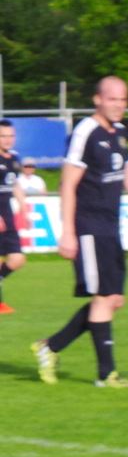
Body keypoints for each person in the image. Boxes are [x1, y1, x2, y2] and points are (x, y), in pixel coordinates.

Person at [32, 77, 128, 387]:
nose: (119, 105)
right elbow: (67, 184)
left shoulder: (120, 133)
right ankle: (106, 375)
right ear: (97, 99)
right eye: (113, 99)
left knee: (113, 299)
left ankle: (50, 347)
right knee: (103, 298)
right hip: (88, 227)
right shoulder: (86, 132)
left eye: (124, 100)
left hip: (111, 227)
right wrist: (68, 232)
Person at [0, 122, 33, 313]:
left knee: (17, 259)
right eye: (3, 136)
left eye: (10, 136)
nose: (8, 139)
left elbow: (15, 185)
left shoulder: (13, 158)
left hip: (8, 216)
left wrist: (24, 208)